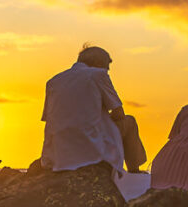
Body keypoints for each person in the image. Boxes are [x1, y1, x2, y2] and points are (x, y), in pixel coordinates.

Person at [40, 46, 128, 176]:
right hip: (90, 150)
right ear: (98, 64)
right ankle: (135, 172)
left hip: (57, 155)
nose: (108, 71)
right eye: (107, 67)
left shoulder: (53, 81)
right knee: (129, 122)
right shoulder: (98, 74)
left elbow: (49, 119)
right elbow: (119, 113)